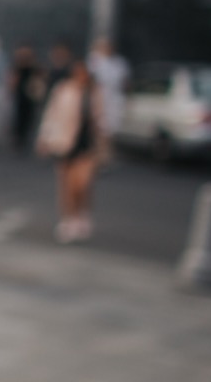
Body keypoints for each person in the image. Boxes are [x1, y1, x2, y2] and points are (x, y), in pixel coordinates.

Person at [37, 56, 107, 243]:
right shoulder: (63, 90)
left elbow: (101, 120)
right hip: (64, 143)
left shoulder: (94, 93)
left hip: (87, 145)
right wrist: (45, 137)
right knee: (66, 185)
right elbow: (51, 114)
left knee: (82, 184)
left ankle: (82, 214)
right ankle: (68, 219)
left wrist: (104, 143)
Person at [88, 36, 131, 137]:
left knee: (111, 129)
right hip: (98, 98)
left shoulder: (120, 62)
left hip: (115, 99)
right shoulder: (94, 60)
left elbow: (126, 82)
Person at [9, 44, 43, 153]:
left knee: (28, 118)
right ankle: (18, 140)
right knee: (18, 118)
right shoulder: (18, 65)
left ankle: (23, 139)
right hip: (19, 96)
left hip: (30, 96)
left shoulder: (33, 66)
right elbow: (13, 80)